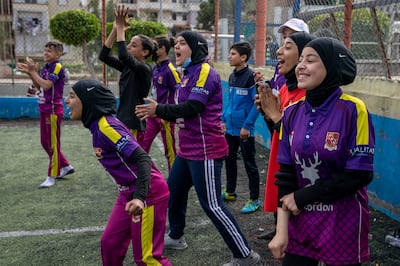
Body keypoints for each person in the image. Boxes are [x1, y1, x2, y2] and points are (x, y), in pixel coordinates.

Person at [135, 31, 261, 266]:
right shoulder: (187, 74)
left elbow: (192, 107)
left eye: (183, 43)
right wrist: (160, 110)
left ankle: (245, 255)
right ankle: (176, 235)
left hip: (205, 150)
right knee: (173, 191)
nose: (176, 47)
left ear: (196, 47)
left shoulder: (204, 71)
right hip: (188, 150)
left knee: (212, 204)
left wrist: (159, 110)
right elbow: (182, 110)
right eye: (177, 44)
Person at [268, 37, 375, 266]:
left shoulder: (354, 110)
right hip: (301, 225)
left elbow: (359, 175)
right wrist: (281, 230)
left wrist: (303, 197)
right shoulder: (290, 113)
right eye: (301, 60)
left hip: (342, 224)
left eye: (311, 59)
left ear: (331, 67)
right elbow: (286, 176)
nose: (301, 65)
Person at [65, 79, 171, 266]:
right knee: (110, 245)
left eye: (72, 96)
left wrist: (140, 197)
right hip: (127, 192)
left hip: (148, 192)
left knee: (147, 259)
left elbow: (143, 159)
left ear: (88, 101)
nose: (67, 100)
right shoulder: (97, 126)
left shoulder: (106, 127)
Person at [253, 17, 309, 240]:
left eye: (289, 42)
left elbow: (301, 142)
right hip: (282, 160)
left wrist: (275, 115)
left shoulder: (310, 95)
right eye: (283, 39)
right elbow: (279, 132)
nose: (279, 50)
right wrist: (268, 114)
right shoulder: (285, 87)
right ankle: (280, 229)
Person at [17, 41, 74, 188]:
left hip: (53, 110)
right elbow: (39, 85)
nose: (46, 53)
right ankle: (66, 166)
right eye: (45, 50)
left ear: (58, 54)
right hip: (44, 109)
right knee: (45, 142)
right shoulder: (46, 67)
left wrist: (33, 71)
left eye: (50, 51)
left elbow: (47, 85)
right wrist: (31, 73)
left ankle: (52, 176)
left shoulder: (57, 67)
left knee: (53, 144)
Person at [99, 5, 155, 146]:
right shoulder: (127, 67)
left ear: (144, 53)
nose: (129, 46)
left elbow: (123, 55)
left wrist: (120, 28)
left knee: (134, 164)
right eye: (129, 43)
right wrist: (115, 29)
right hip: (123, 121)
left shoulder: (144, 69)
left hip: (134, 124)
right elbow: (104, 56)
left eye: (134, 45)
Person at [221, 41, 261, 214]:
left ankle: (254, 199)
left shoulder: (252, 78)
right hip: (229, 128)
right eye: (229, 54)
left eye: (233, 54)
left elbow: (256, 105)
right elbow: (229, 101)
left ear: (243, 57)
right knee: (229, 160)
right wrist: (223, 120)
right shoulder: (232, 76)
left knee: (249, 164)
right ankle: (230, 191)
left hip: (245, 131)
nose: (229, 56)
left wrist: (247, 126)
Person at [142, 35, 180, 171]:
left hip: (166, 118)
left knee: (170, 152)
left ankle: (174, 182)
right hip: (153, 115)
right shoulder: (155, 68)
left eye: (154, 46)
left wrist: (174, 112)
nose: (151, 50)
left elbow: (179, 92)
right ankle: (141, 178)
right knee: (141, 147)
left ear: (163, 49)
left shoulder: (170, 70)